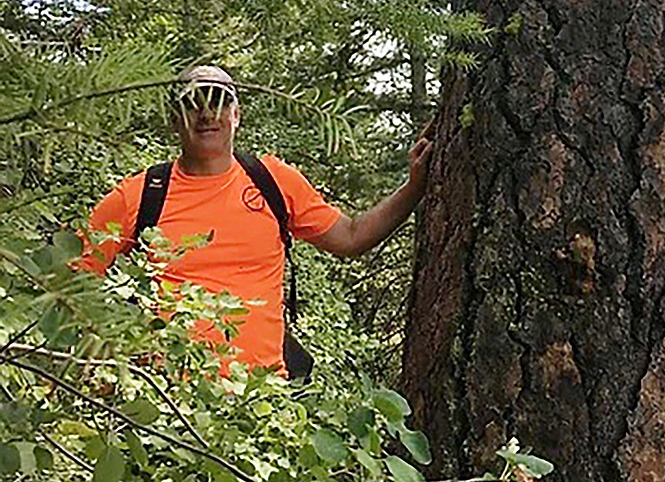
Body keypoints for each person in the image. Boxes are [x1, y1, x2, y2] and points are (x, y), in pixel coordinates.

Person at [84, 63, 432, 375]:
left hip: (263, 404)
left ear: (237, 115)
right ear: (175, 119)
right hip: (168, 409)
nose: (207, 114)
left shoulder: (272, 181)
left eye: (218, 102)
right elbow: (70, 282)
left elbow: (352, 237)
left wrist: (415, 186)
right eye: (194, 104)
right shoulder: (142, 194)